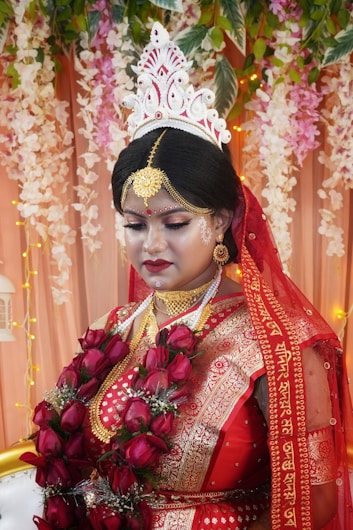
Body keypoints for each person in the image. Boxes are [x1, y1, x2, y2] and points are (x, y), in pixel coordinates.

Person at [21, 22, 353, 530]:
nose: (151, 245)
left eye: (175, 223)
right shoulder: (115, 328)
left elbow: (315, 506)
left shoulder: (280, 344)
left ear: (221, 220)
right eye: (135, 225)